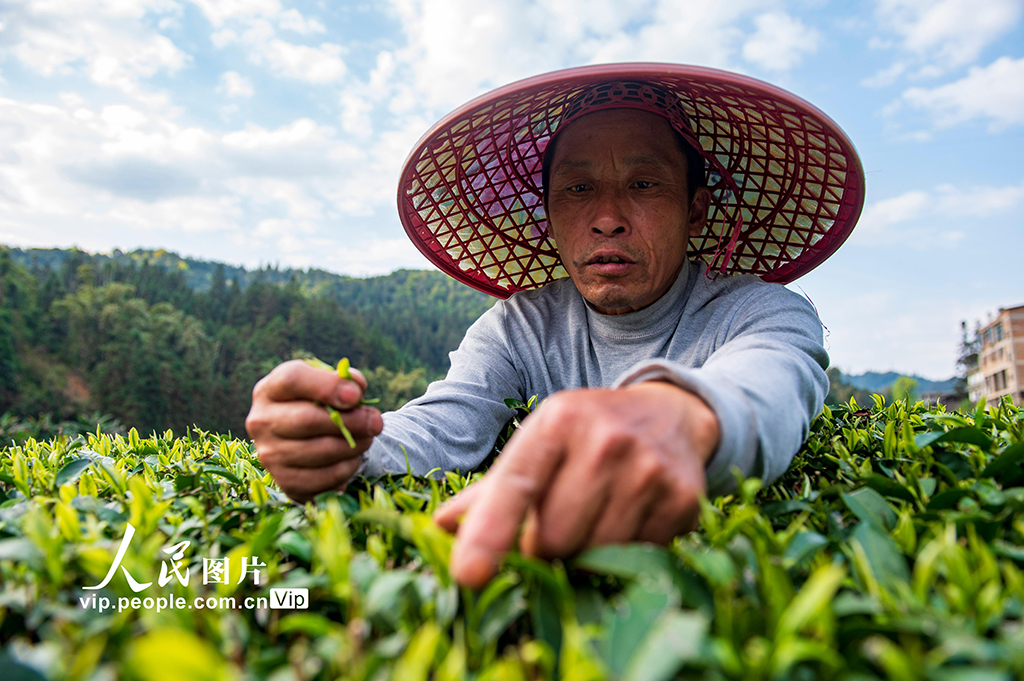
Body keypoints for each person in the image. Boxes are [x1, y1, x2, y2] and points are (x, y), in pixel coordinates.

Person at [245, 65, 864, 589]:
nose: (607, 217)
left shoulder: (759, 311)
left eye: (644, 184)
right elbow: (449, 419)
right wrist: (346, 444)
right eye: (578, 188)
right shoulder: (522, 325)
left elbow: (772, 385)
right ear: (550, 213)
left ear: (695, 208)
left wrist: (682, 415)